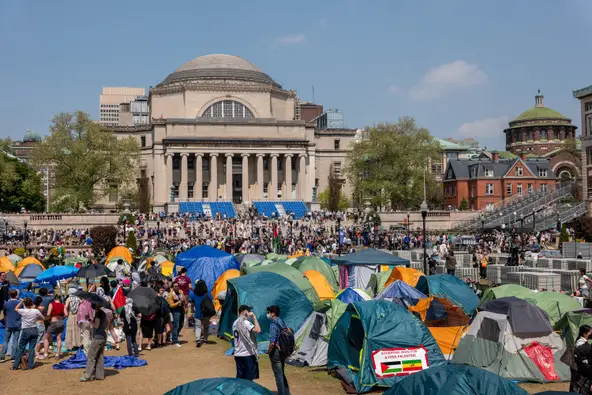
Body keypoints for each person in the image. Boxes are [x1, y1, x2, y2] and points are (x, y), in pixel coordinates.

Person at [11, 297, 44, 370]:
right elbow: (43, 318)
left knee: (21, 348)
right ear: (31, 303)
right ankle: (30, 365)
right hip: (34, 329)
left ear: (24, 304)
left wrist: (21, 302)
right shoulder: (35, 311)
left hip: (25, 330)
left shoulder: (22, 311)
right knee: (31, 348)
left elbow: (16, 308)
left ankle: (15, 366)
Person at [267, 305, 291, 395]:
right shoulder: (282, 321)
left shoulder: (273, 325)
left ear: (273, 313)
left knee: (278, 375)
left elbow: (273, 342)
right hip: (284, 351)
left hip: (276, 352)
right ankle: (286, 392)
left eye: (269, 312)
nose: (268, 314)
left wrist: (269, 350)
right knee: (282, 373)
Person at [232, 305, 260, 380]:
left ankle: (239, 391)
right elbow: (257, 330)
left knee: (240, 377)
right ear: (245, 312)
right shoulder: (245, 322)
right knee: (249, 378)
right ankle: (247, 391)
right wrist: (254, 317)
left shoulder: (235, 322)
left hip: (238, 354)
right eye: (249, 311)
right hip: (247, 354)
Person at [81, 303, 107, 382]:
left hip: (98, 337)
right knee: (99, 356)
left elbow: (96, 325)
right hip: (103, 336)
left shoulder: (99, 313)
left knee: (91, 356)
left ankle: (88, 375)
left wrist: (89, 320)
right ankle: (99, 375)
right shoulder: (103, 313)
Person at [0, 289, 21, 363]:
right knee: (15, 341)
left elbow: (4, 314)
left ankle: (2, 357)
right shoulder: (19, 303)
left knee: (5, 341)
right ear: (16, 295)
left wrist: (5, 322)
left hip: (8, 324)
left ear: (9, 295)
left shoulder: (6, 304)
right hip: (17, 324)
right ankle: (13, 357)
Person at [191, 279, 214, 347]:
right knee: (206, 326)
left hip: (198, 313)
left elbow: (192, 302)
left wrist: (192, 309)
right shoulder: (207, 293)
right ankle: (205, 339)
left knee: (198, 327)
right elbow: (211, 301)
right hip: (206, 313)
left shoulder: (194, 294)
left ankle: (198, 340)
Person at [43, 293, 65, 359]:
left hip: (53, 322)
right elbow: (66, 314)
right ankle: (57, 354)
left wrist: (46, 317)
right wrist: (62, 317)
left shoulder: (51, 304)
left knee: (46, 338)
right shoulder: (62, 305)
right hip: (60, 322)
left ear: (54, 298)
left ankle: (46, 354)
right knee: (59, 338)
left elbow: (48, 314)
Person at [573, 325, 592, 394]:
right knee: (581, 388)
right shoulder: (580, 343)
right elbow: (584, 353)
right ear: (584, 334)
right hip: (583, 370)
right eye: (590, 332)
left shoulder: (584, 341)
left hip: (585, 368)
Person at [167, 282, 185, 348]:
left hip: (181, 309)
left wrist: (184, 302)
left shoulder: (181, 292)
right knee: (176, 325)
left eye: (178, 286)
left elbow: (183, 300)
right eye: (175, 286)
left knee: (181, 324)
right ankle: (175, 341)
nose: (177, 287)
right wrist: (179, 302)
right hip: (175, 311)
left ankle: (174, 336)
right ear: (173, 287)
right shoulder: (170, 294)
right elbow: (171, 305)